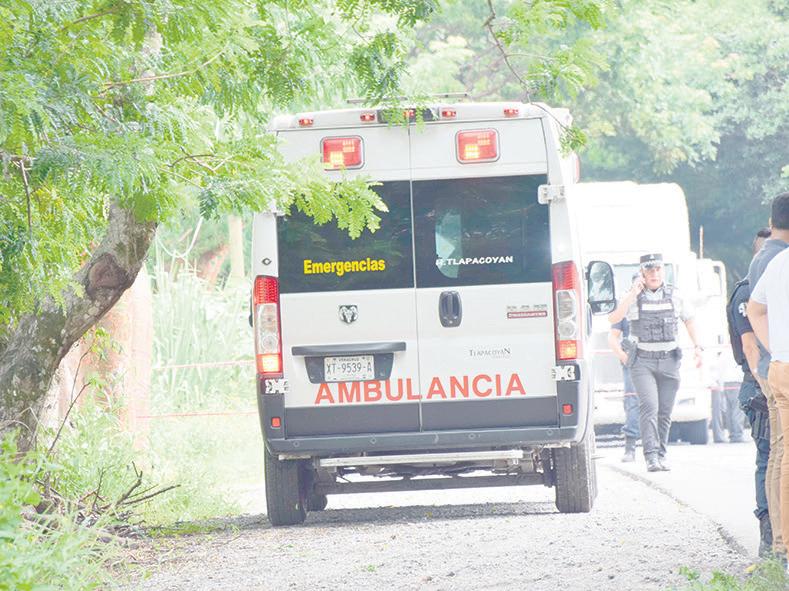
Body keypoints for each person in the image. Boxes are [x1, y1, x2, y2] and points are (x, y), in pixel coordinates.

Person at [608, 253, 703, 472]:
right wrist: (632, 293)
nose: (654, 274)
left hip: (669, 360)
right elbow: (613, 318)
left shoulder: (675, 295)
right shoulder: (631, 296)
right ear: (642, 272)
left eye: (658, 269)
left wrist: (698, 346)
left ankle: (661, 454)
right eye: (650, 270)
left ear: (663, 271)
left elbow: (689, 320)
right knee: (649, 406)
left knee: (665, 411)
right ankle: (650, 456)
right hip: (643, 362)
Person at [747, 192, 789, 560]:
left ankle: (779, 544)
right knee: (780, 455)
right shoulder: (778, 258)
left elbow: (752, 310)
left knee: (779, 455)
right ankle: (781, 544)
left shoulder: (768, 259)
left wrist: (775, 348)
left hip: (776, 367)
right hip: (776, 365)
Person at [727, 227, 772, 556]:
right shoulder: (746, 292)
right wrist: (767, 387)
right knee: (768, 459)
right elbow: (750, 347)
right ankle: (768, 536)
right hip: (758, 387)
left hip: (770, 383)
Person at [608, 275, 641, 463]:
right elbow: (612, 336)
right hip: (633, 360)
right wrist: (623, 356)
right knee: (632, 402)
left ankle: (657, 449)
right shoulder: (625, 307)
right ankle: (630, 447)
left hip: (656, 359)